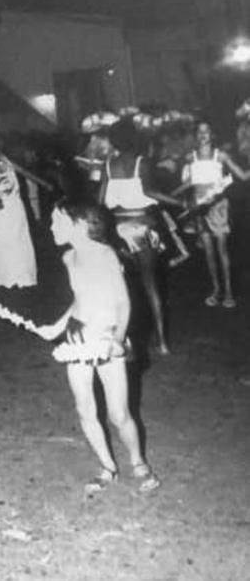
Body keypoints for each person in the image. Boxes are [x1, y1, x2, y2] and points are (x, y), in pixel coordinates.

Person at [35, 200, 161, 494]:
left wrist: (117, 340)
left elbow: (123, 302)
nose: (51, 227)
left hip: (105, 339)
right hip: (77, 338)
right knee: (85, 408)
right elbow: (81, 298)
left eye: (56, 221)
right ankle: (107, 467)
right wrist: (57, 326)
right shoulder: (69, 258)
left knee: (119, 414)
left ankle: (138, 462)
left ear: (79, 225)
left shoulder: (105, 256)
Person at [97, 117, 182, 356]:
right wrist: (180, 201)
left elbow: (101, 200)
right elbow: (150, 191)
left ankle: (124, 340)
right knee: (151, 283)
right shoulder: (141, 162)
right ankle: (163, 342)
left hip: (118, 229)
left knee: (121, 286)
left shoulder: (107, 165)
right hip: (144, 227)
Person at [174, 122, 248, 307]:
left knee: (222, 251)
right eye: (199, 131)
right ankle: (216, 290)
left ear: (212, 134)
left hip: (218, 208)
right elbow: (192, 180)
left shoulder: (220, 156)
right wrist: (172, 193)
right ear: (196, 135)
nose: (203, 134)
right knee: (209, 252)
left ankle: (229, 292)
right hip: (199, 208)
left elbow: (243, 175)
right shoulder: (191, 157)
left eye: (206, 131)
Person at [0, 126, 47, 289]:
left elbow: (21, 171)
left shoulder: (2, 157)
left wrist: (43, 183)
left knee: (18, 238)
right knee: (0, 239)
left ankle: (22, 276)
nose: (0, 139)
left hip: (14, 204)